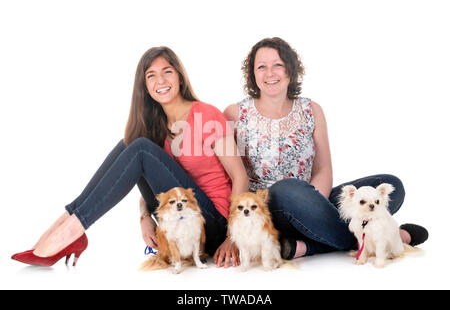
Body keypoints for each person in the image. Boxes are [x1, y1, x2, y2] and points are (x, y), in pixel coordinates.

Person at [11, 46, 248, 266]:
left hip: (213, 225)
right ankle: (65, 224)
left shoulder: (208, 114)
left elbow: (240, 176)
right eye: (151, 75)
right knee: (130, 142)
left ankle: (72, 230)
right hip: (178, 216)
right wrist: (144, 216)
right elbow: (161, 179)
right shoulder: (159, 125)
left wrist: (233, 237)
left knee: (140, 147)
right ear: (144, 86)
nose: (161, 81)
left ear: (180, 77)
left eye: (167, 72)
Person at [223, 37, 428, 260]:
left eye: (278, 65)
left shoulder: (311, 109)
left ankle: (305, 246)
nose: (269, 73)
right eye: (261, 67)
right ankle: (388, 237)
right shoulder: (235, 113)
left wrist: (313, 205)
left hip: (311, 200)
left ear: (290, 70)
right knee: (288, 189)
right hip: (265, 211)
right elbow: (230, 176)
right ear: (252, 74)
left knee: (389, 186)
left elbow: (323, 169)